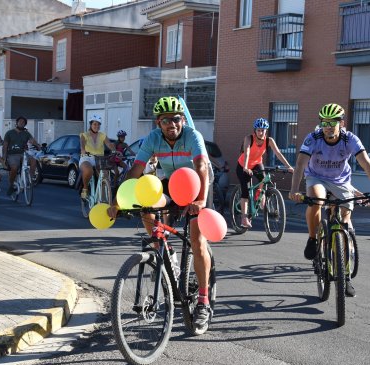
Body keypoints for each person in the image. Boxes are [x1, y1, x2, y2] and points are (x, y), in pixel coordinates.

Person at [110, 96, 215, 328]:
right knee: (145, 206)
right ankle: (163, 250)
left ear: (183, 120)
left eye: (176, 119)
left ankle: (203, 302)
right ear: (158, 123)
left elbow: (201, 167)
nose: (172, 124)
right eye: (166, 120)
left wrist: (200, 200)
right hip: (170, 182)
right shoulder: (153, 139)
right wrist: (118, 201)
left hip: (197, 182)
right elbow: (136, 170)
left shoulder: (192, 136)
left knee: (197, 242)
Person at [288, 103, 370, 297]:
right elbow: (300, 163)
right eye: (324, 122)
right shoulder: (313, 138)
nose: (328, 126)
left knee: (344, 219)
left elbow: (366, 162)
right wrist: (294, 189)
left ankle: (346, 278)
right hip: (316, 177)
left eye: (332, 122)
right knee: (316, 199)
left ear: (341, 123)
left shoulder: (349, 139)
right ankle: (312, 238)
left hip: (341, 180)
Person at [237, 117, 294, 228]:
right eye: (258, 130)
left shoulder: (269, 140)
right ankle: (244, 218)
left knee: (264, 177)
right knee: (245, 191)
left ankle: (259, 192)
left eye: (263, 130)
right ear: (255, 130)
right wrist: (245, 167)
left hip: (257, 163)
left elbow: (278, 153)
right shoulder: (249, 138)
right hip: (243, 165)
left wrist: (288, 166)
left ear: (266, 131)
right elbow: (247, 152)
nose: (261, 132)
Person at [79, 114, 116, 199]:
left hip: (99, 159)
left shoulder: (102, 135)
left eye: (99, 124)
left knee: (105, 176)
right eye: (95, 124)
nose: (97, 126)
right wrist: (83, 149)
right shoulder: (84, 135)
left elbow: (109, 144)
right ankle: (85, 188)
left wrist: (114, 150)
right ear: (91, 124)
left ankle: (103, 198)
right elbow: (82, 143)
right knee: (88, 171)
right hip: (87, 157)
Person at [2, 116, 41, 195]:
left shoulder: (26, 133)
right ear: (16, 123)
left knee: (33, 161)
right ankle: (11, 185)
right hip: (12, 154)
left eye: (23, 122)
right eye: (20, 122)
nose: (21, 123)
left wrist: (38, 145)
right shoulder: (9, 133)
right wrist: (4, 157)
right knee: (14, 168)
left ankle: (28, 180)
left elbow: (32, 140)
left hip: (23, 153)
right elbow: (5, 145)